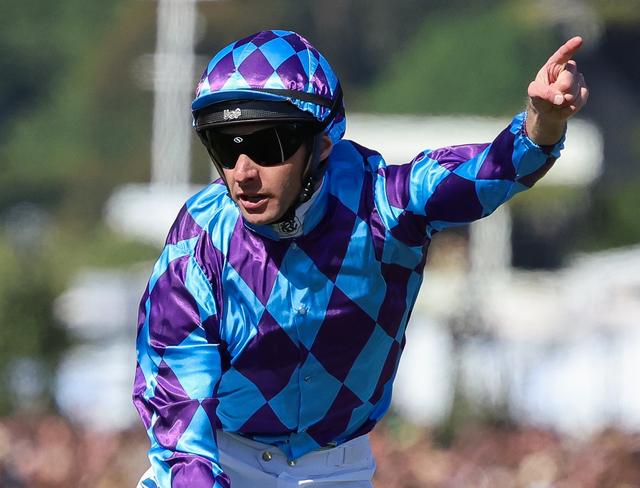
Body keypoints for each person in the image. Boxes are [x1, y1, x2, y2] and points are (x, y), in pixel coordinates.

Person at [133, 29, 588, 487]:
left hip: (337, 471)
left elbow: (483, 177)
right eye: (225, 147)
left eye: (268, 146)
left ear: (323, 143)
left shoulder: (384, 204)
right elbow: (179, 413)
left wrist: (541, 124)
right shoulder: (198, 241)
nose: (243, 173)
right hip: (218, 457)